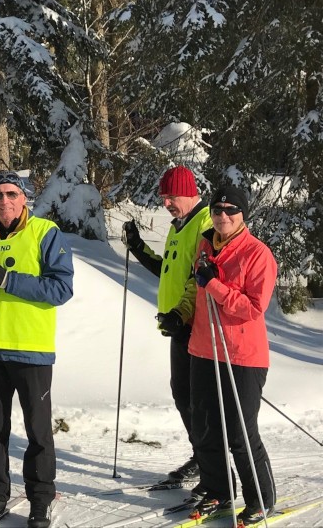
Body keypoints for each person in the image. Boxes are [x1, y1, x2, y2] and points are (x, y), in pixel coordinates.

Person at [0, 171, 74, 528]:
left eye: (11, 194)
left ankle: (40, 500)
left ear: (24, 197)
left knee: (38, 432)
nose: (4, 201)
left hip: (31, 350)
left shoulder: (45, 232)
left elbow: (61, 289)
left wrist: (9, 280)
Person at [187, 186, 277, 525]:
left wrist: (214, 285)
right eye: (218, 209)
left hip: (243, 354)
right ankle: (218, 490)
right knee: (205, 426)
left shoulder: (258, 254)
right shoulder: (205, 246)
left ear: (243, 215)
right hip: (204, 348)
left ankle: (260, 499)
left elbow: (253, 308)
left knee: (239, 432)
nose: (223, 215)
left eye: (231, 210)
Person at [122, 165, 212, 487]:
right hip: (178, 324)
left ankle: (212, 463)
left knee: (199, 399)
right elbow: (167, 271)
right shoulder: (179, 227)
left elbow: (198, 278)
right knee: (182, 394)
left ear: (188, 191)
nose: (166, 203)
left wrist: (182, 314)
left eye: (171, 196)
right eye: (163, 198)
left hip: (197, 323)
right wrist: (137, 247)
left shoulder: (204, 224)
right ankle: (202, 456)